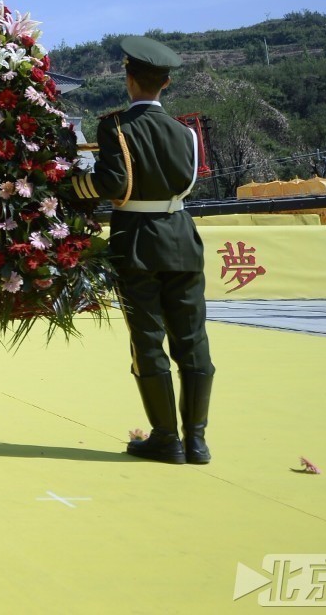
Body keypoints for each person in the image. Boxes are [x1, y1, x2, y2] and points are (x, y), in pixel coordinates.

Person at [68, 36, 212, 465]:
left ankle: (166, 438)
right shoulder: (187, 134)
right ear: (166, 82)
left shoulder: (116, 127)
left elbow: (113, 183)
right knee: (193, 339)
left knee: (148, 340)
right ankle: (197, 441)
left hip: (137, 241)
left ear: (129, 79)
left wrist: (70, 185)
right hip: (181, 237)